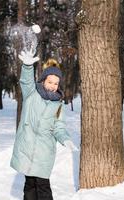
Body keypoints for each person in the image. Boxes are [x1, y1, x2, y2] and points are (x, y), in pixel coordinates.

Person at [10, 49, 78, 200]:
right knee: (29, 185)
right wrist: (27, 67)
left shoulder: (58, 105)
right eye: (50, 82)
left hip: (44, 152)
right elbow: (26, 81)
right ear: (43, 80)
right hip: (27, 148)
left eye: (56, 83)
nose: (53, 86)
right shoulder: (31, 93)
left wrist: (65, 139)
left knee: (42, 186)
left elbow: (58, 128)